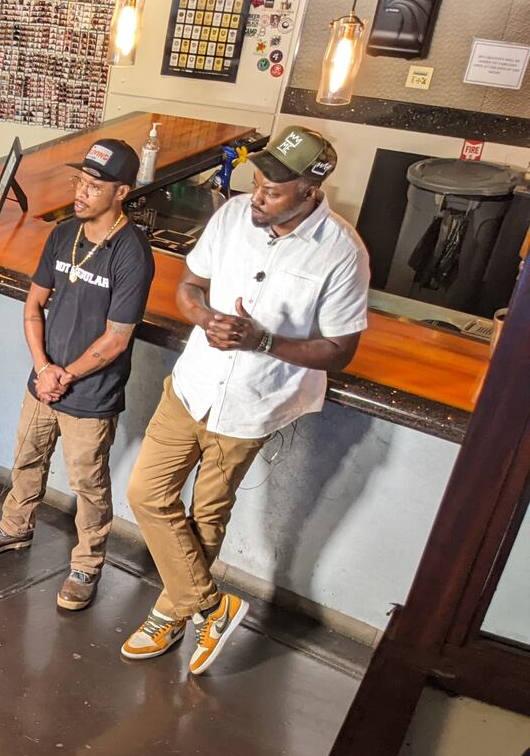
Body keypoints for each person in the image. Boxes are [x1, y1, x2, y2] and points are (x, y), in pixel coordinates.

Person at [122, 126, 369, 675]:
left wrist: (265, 342)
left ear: (310, 192)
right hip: (192, 385)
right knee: (145, 493)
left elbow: (340, 351)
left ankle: (171, 613)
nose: (257, 195)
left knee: (207, 516)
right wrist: (205, 317)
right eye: (258, 182)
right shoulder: (232, 216)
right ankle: (210, 606)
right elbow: (188, 287)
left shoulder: (343, 253)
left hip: (255, 403)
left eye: (274, 190)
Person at [0, 139, 154, 612]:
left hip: (90, 393)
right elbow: (33, 305)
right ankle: (15, 528)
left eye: (94, 185)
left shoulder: (132, 254)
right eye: (80, 182)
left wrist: (64, 375)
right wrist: (43, 368)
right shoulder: (62, 233)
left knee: (88, 483)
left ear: (122, 191)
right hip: (44, 380)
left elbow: (116, 338)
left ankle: (87, 565)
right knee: (27, 457)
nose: (81, 192)